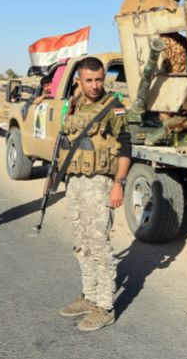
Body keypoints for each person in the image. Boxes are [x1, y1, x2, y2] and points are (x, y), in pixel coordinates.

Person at [57, 57, 131, 331]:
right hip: (75, 183)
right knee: (81, 241)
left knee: (99, 245)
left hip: (100, 183)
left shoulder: (113, 106)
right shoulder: (76, 104)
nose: (95, 85)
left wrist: (118, 183)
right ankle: (89, 295)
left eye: (99, 79)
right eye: (89, 80)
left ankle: (105, 306)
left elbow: (125, 147)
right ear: (79, 80)